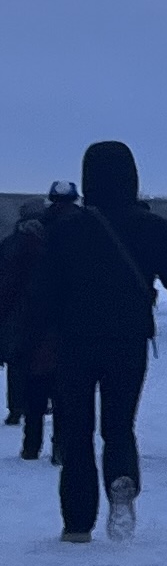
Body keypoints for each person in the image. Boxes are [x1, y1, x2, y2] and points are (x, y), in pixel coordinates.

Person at [37, 141, 167, 543]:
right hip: (128, 339)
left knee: (75, 429)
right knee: (119, 424)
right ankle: (122, 481)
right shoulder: (153, 227)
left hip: (75, 340)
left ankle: (77, 522)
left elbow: (42, 293)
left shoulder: (67, 229)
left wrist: (26, 341)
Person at [1, 193, 62, 461]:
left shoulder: (10, 244)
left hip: (19, 318)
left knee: (20, 367)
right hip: (52, 319)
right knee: (57, 377)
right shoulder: (57, 243)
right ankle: (59, 442)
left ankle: (23, 423)